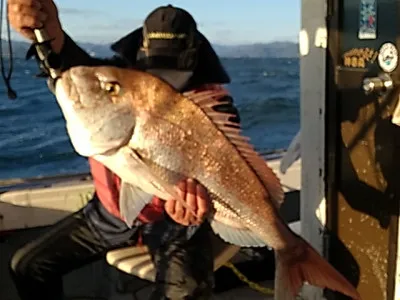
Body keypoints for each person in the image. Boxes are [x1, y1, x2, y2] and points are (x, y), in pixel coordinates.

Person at [8, 1, 241, 300]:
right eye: (152, 68)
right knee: (28, 266)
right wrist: (47, 33)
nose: (160, 80)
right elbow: (74, 71)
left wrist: (201, 204)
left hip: (174, 222)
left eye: (172, 68)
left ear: (194, 61)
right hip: (109, 214)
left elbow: (229, 171)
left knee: (186, 292)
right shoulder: (117, 81)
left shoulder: (214, 108)